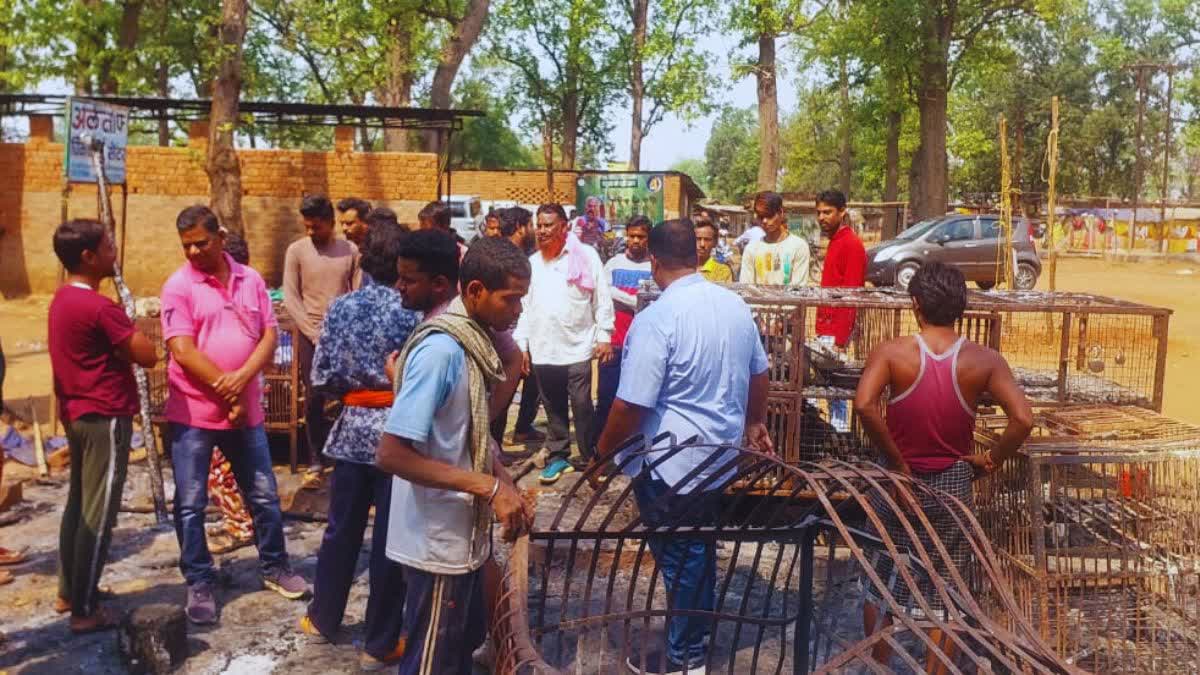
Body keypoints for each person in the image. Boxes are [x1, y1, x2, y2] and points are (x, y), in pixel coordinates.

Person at [594, 219, 773, 675]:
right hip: (720, 454)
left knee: (682, 558)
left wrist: (600, 454)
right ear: (696, 255)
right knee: (697, 549)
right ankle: (693, 639)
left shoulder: (657, 318)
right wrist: (754, 421)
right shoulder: (734, 305)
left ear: (654, 261)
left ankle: (684, 657)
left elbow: (631, 404)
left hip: (672, 462)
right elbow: (760, 371)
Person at [853, 261, 1033, 671]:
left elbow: (864, 404)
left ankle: (879, 668)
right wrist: (991, 460)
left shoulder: (892, 352)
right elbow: (1023, 417)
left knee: (880, 577)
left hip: (896, 484)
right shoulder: (983, 360)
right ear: (961, 307)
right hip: (953, 483)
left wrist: (898, 465)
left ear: (915, 304)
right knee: (946, 588)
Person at [375, 235, 534, 675]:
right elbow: (391, 454)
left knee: (454, 656)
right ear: (476, 291)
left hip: (460, 534)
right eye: (512, 299)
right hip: (436, 540)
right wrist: (486, 486)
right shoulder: (442, 352)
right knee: (429, 663)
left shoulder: (474, 345)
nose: (518, 310)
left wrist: (501, 477)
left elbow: (467, 434)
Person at [162, 205, 308, 625]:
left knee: (261, 492)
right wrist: (226, 387)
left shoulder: (251, 279)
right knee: (190, 503)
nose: (193, 252)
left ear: (220, 237)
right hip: (193, 411)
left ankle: (276, 567)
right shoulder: (178, 286)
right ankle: (199, 580)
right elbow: (182, 349)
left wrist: (241, 380)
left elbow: (269, 333)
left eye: (201, 243)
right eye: (186, 245)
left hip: (246, 409)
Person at [300, 221, 415, 670]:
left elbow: (322, 377)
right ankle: (381, 640)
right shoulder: (413, 313)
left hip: (349, 435)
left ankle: (323, 618)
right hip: (398, 437)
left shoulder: (342, 308)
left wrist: (352, 395)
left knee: (340, 531)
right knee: (390, 540)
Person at [48, 219, 159, 633]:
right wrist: (137, 329)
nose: (115, 253)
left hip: (76, 412)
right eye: (108, 247)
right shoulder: (99, 307)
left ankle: (69, 590)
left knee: (79, 503)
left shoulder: (61, 300)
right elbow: (146, 354)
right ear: (89, 257)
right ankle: (85, 609)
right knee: (100, 510)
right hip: (104, 415)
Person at [512, 204, 615, 485]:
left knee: (582, 403)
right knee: (553, 406)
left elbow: (602, 298)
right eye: (539, 225)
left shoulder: (586, 256)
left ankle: (590, 455)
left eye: (549, 225)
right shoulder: (532, 264)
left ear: (564, 227)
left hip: (579, 346)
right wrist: (522, 344)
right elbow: (523, 308)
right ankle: (558, 455)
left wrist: (604, 335)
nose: (542, 231)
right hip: (543, 347)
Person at [284, 194, 360, 488]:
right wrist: (313, 334)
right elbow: (291, 297)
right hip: (309, 334)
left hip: (342, 335)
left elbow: (355, 294)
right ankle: (315, 459)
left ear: (330, 223)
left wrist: (342, 333)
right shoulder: (297, 251)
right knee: (314, 396)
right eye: (307, 226)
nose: (311, 232)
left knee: (346, 395)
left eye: (317, 226)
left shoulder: (350, 250)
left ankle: (343, 455)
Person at [205, 231, 257, 554]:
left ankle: (241, 525)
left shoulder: (234, 297)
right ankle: (246, 518)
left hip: (226, 392)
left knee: (222, 467)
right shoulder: (252, 291)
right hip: (243, 390)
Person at [594, 215, 652, 453]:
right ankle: (600, 449)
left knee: (638, 398)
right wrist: (633, 300)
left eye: (641, 236)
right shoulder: (613, 264)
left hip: (643, 344)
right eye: (631, 236)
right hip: (615, 342)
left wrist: (622, 297)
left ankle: (635, 449)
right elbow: (603, 296)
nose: (635, 241)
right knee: (607, 397)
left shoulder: (654, 265)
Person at [814, 189, 867, 432]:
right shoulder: (835, 241)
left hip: (835, 333)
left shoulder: (852, 244)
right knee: (818, 389)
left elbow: (852, 295)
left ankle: (840, 442)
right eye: (819, 213)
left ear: (842, 212)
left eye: (828, 212)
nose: (822, 217)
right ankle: (821, 440)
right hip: (824, 328)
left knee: (837, 393)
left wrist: (840, 339)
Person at [492, 207, 544, 445]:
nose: (535, 230)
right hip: (506, 332)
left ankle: (522, 428)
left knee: (531, 383)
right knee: (503, 390)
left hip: (522, 330)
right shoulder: (508, 258)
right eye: (532, 225)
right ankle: (495, 446)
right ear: (521, 228)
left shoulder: (526, 254)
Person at [740, 191, 810, 287]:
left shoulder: (798, 247)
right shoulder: (751, 249)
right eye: (761, 217)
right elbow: (746, 287)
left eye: (769, 215)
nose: (764, 221)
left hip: (789, 301)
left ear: (780, 212)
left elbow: (798, 289)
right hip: (756, 302)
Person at [694, 215, 733, 282]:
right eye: (698, 239)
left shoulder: (722, 271)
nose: (702, 244)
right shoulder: (681, 270)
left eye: (707, 240)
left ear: (715, 242)